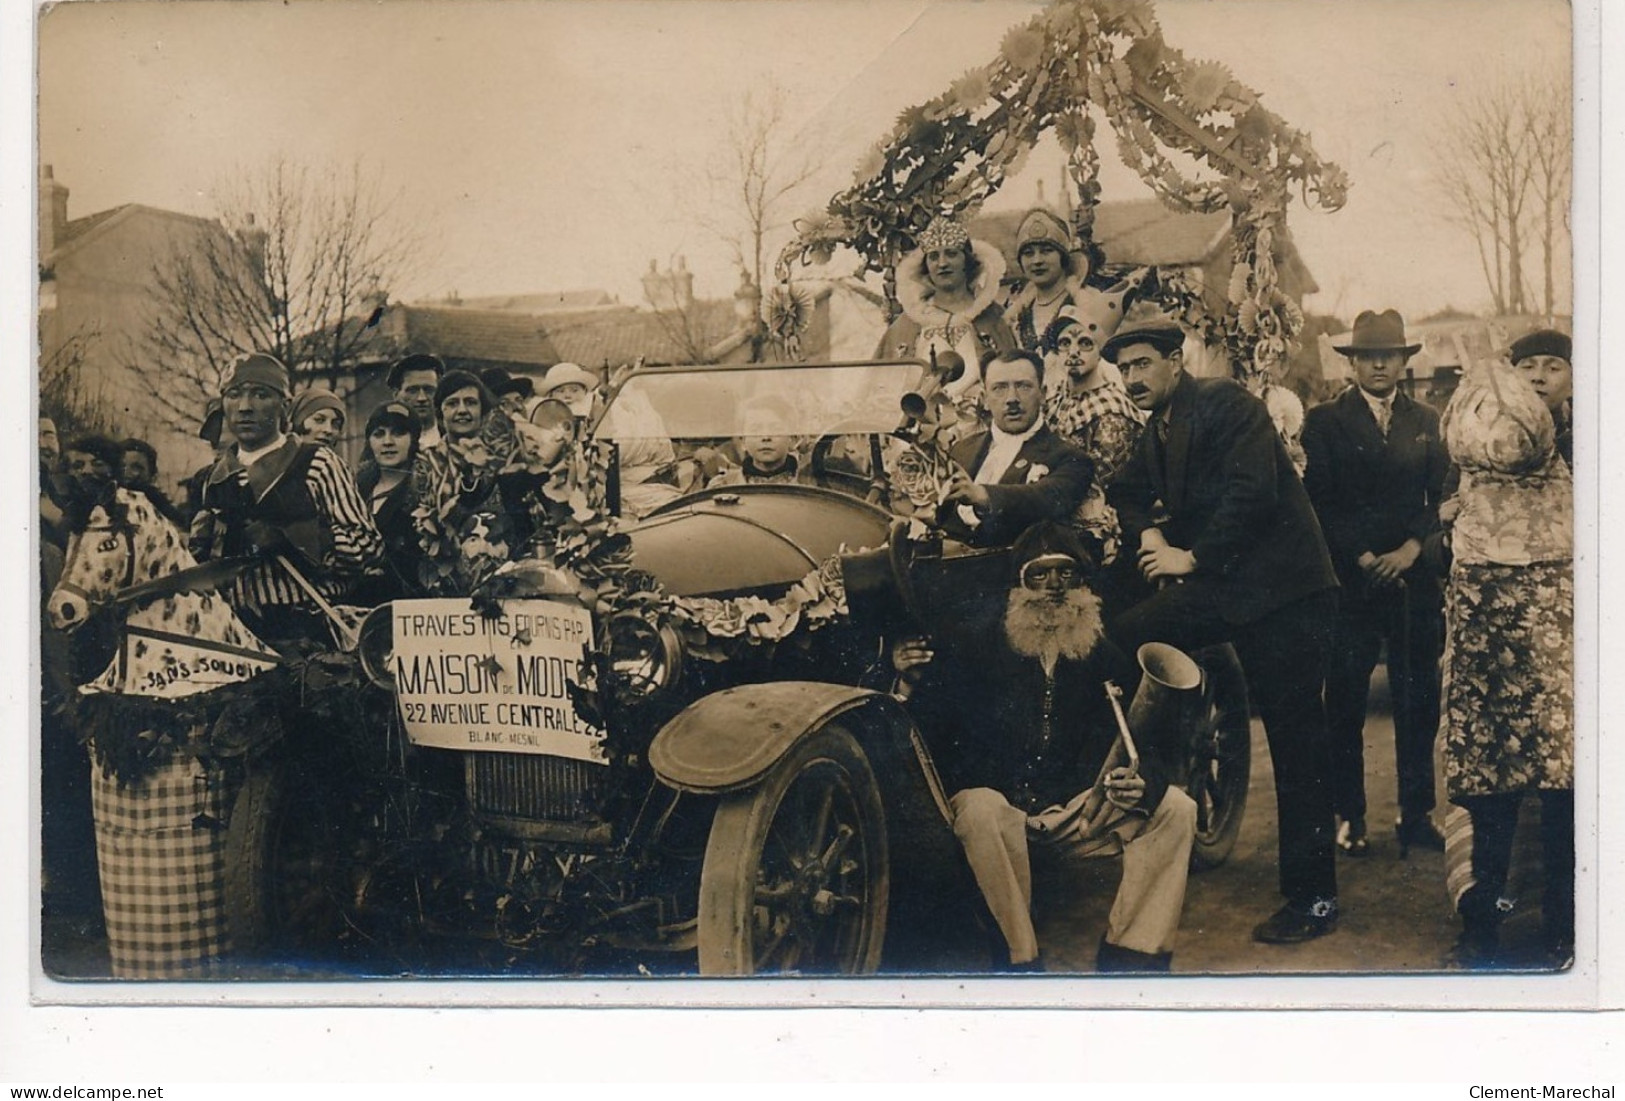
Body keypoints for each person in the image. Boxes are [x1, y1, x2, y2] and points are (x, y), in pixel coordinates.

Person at [1104, 308, 1342, 945]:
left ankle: (1315, 899)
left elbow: (1251, 496)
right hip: (1231, 592)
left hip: (1286, 593)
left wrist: (1191, 558)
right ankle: (1153, 790)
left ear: (1175, 362)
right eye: (1123, 368)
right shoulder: (1157, 428)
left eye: (1142, 364)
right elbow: (1123, 492)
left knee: (1296, 741)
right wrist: (1149, 531)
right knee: (1125, 634)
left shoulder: (1226, 404)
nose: (1131, 377)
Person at [891, 521, 1196, 972]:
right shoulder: (972, 647)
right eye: (1039, 575)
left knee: (1177, 808)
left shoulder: (1106, 657)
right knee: (978, 807)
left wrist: (1143, 782)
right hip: (1000, 823)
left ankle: (1134, 957)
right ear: (1017, 586)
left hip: (1080, 813)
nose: (1053, 588)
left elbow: (1154, 746)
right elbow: (920, 734)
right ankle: (1019, 960)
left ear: (1083, 586)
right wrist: (902, 679)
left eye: (1066, 574)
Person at [1438, 355, 1573, 969]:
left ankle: (1565, 930)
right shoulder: (1478, 449)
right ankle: (1484, 926)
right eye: (1528, 366)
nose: (1540, 377)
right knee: (1490, 795)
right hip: (1487, 645)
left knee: (1565, 793)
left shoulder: (1588, 445)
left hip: (1560, 651)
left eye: (1555, 365)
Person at [1301, 309, 1452, 858]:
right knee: (1344, 700)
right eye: (1369, 356)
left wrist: (1412, 550)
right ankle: (1349, 814)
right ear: (1353, 363)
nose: (1381, 364)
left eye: (1391, 354)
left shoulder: (1429, 421)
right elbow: (1320, 501)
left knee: (1419, 698)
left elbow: (1441, 497)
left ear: (1406, 360)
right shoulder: (1324, 422)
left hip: (1413, 583)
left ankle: (1416, 814)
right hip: (1352, 582)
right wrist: (1364, 555)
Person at [189, 353, 383, 643]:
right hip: (233, 632)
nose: (244, 407)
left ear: (285, 406)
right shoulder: (214, 478)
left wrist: (295, 539)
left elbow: (369, 546)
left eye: (260, 395)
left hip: (304, 628)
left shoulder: (317, 463)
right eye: (234, 395)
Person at [938, 348, 1094, 549]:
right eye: (999, 388)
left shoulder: (1070, 458)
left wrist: (983, 495)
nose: (1012, 398)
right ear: (984, 399)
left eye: (1023, 386)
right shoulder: (961, 450)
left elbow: (1043, 498)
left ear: (1043, 394)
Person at [412, 370, 544, 595]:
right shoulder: (426, 464)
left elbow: (531, 530)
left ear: (483, 411)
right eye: (452, 403)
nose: (462, 410)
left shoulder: (509, 462)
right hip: (445, 593)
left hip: (510, 588)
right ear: (439, 412)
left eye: (470, 402)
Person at [1041, 298, 1144, 567]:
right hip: (1051, 510)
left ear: (1100, 351)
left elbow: (1102, 482)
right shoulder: (1055, 401)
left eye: (1085, 343)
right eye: (1065, 343)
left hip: (1098, 526)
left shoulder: (1112, 409)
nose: (1073, 351)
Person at [875, 215, 1015, 400]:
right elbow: (880, 386)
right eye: (934, 257)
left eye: (951, 254)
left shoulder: (994, 318)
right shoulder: (907, 323)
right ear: (926, 266)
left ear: (967, 261)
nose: (942, 263)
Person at [1002, 208, 1110, 352]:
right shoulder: (1015, 313)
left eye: (1047, 251)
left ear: (1063, 257)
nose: (1037, 260)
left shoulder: (1089, 301)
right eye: (1028, 253)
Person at [352, 400, 424, 603]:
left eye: (398, 433)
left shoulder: (425, 493)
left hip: (406, 610)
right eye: (379, 434)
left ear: (414, 439)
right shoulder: (355, 490)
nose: (387, 442)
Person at [708, 394, 813, 488]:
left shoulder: (811, 484)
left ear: (792, 439)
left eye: (775, 429)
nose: (765, 437)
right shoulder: (723, 485)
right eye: (755, 430)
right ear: (743, 441)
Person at [1509, 328, 1572, 468]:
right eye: (1528, 367)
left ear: (1574, 383)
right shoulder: (1480, 436)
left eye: (1553, 368)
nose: (1538, 377)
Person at [117, 436, 188, 528]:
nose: (126, 472)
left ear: (152, 475)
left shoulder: (163, 514)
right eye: (122, 466)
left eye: (136, 467)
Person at [388, 352, 446, 450]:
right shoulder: (385, 441)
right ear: (396, 394)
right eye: (412, 390)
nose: (421, 398)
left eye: (429, 390)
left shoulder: (453, 438)